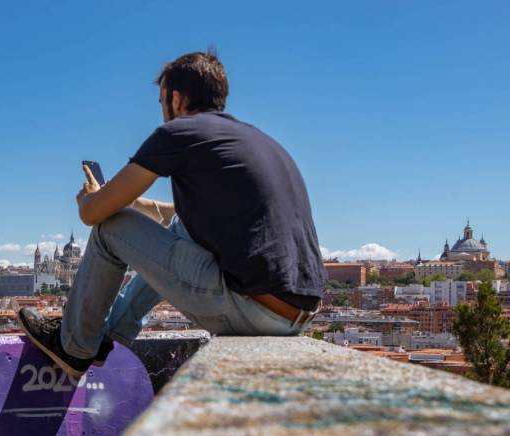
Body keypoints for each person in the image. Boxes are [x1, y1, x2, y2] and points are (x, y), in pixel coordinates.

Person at [19, 50, 327, 377]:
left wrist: (91, 199)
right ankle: (109, 335)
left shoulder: (179, 133)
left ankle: (74, 347)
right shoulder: (255, 140)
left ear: (176, 99)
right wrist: (127, 198)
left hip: (254, 312)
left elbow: (93, 215)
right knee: (181, 228)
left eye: (161, 101)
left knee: (110, 226)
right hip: (296, 314)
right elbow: (177, 215)